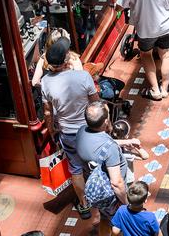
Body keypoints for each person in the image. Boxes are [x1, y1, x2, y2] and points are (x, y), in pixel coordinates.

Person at [41, 38, 100, 218]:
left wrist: (51, 130)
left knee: (75, 169)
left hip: (67, 133)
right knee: (97, 162)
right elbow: (95, 103)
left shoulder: (46, 82)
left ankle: (84, 205)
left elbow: (48, 113)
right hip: (89, 130)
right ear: (66, 60)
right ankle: (101, 195)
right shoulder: (82, 76)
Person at [78, 103, 127, 221]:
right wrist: (127, 203)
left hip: (98, 190)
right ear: (105, 122)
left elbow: (98, 145)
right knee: (119, 223)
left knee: (104, 219)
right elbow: (116, 183)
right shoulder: (110, 148)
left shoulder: (81, 132)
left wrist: (127, 142)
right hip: (113, 195)